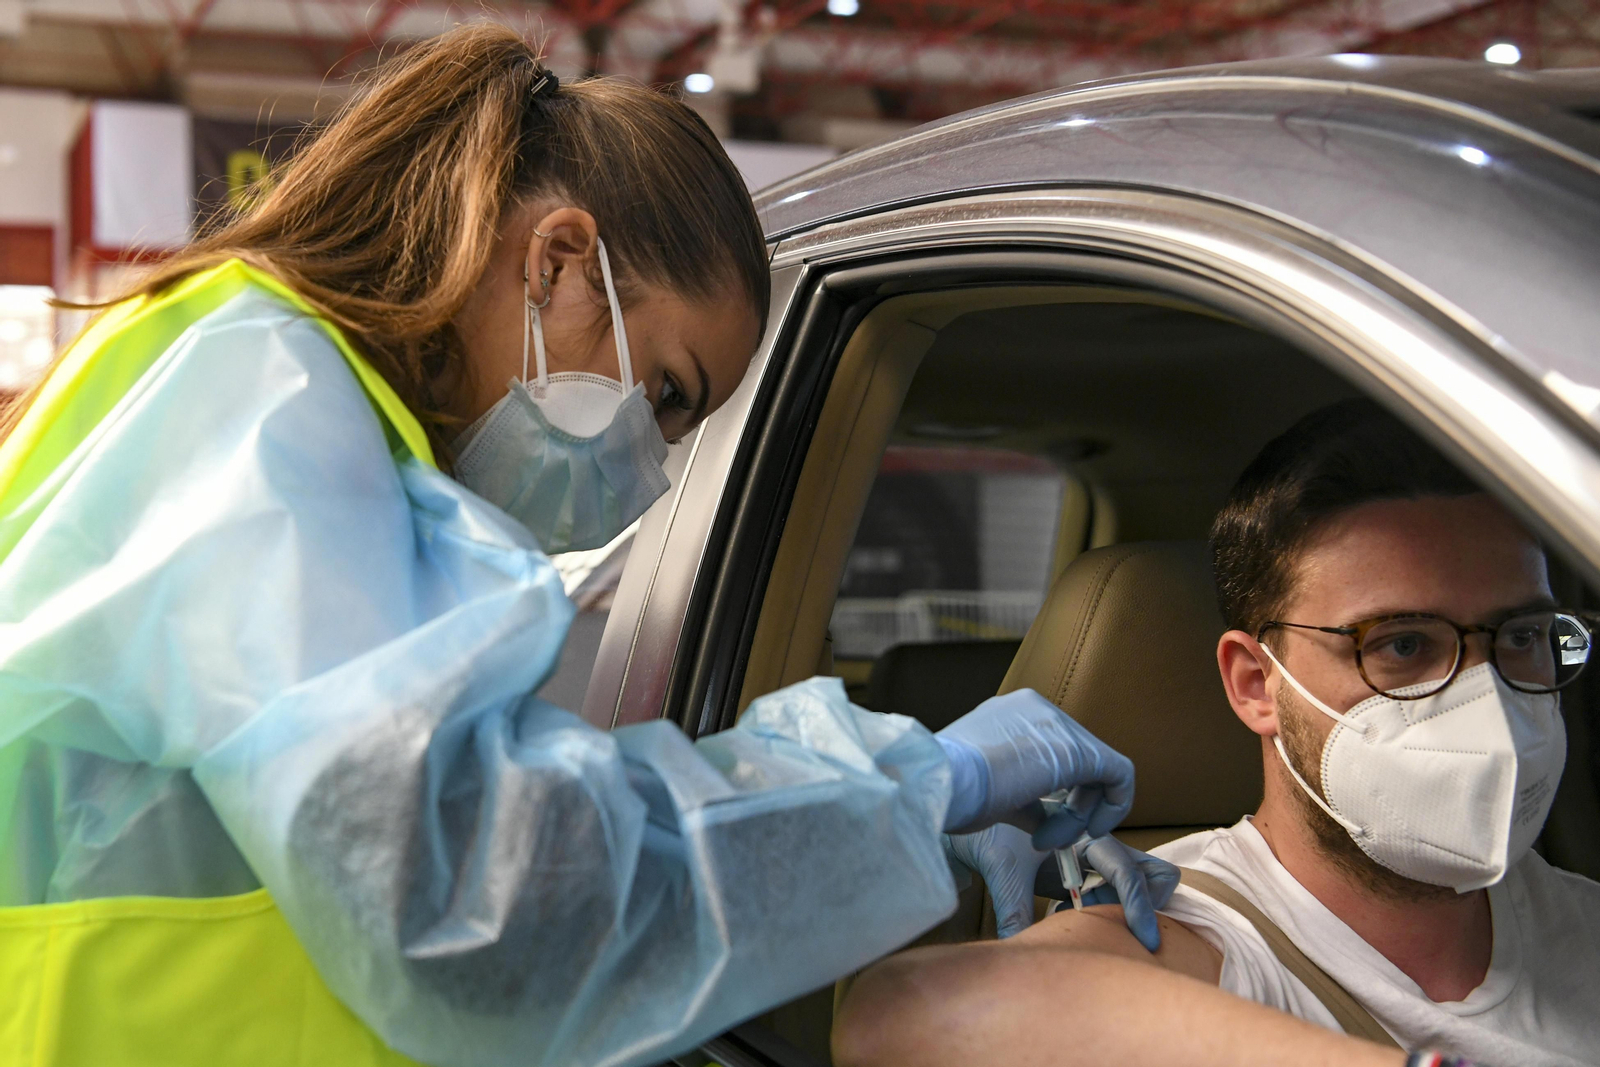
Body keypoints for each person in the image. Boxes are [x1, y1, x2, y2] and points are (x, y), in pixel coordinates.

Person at [0, 25, 1170, 1067]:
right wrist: (921, 785)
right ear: (560, 259)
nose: (649, 465)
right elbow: (473, 900)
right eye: (665, 390)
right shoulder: (253, 395)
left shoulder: (322, 424)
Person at [831, 399, 1600, 1067]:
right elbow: (914, 1015)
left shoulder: (1583, 919)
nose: (1486, 698)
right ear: (1256, 684)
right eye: (1402, 644)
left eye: (1521, 636)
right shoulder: (1191, 930)